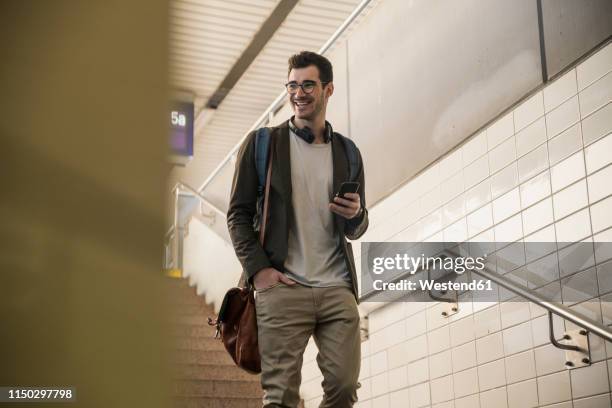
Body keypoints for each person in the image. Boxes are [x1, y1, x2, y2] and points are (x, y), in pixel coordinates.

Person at [227, 50, 369, 408]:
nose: (299, 93)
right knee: (281, 397)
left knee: (343, 387)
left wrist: (356, 213)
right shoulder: (262, 144)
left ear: (328, 89)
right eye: (292, 85)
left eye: (308, 84)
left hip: (337, 286)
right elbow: (237, 214)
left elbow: (357, 227)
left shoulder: (348, 152)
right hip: (283, 287)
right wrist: (259, 271)